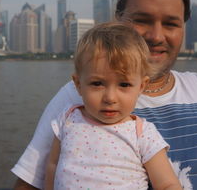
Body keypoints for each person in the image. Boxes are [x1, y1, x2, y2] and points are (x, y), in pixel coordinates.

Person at [12, 0, 197, 189]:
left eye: (171, 24)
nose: (156, 36)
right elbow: (31, 181)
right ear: (119, 20)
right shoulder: (77, 98)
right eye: (142, 20)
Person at [44, 22, 182, 189]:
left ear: (141, 87)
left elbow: (167, 184)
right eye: (97, 83)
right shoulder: (67, 119)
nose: (110, 98)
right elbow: (52, 165)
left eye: (124, 85)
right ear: (79, 84)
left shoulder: (142, 133)